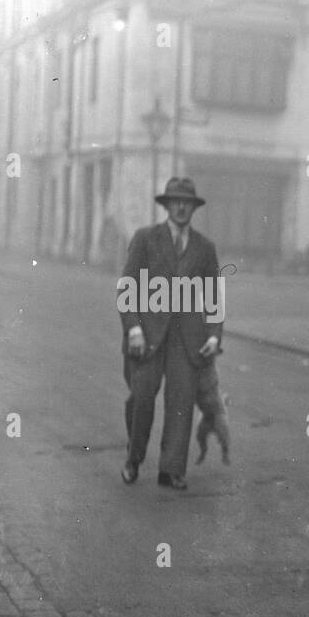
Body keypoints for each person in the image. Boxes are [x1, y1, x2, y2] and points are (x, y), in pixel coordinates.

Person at [120, 177, 223, 490]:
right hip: (147, 335)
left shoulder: (205, 248)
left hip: (187, 339)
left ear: (193, 207)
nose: (181, 207)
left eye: (187, 202)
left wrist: (214, 336)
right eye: (175, 201)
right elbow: (127, 289)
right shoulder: (145, 238)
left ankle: (171, 469)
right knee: (141, 398)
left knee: (181, 402)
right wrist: (134, 329)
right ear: (166, 205)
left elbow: (214, 298)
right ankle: (133, 458)